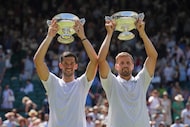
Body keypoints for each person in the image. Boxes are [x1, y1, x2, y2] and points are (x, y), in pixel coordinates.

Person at [33, 19, 98, 127]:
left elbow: (94, 61)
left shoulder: (82, 83)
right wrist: (49, 36)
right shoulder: (52, 83)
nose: (69, 65)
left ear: (76, 66)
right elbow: (38, 61)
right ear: (60, 65)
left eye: (72, 63)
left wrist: (82, 36)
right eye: (66, 63)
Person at [97, 17, 158, 127]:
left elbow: (153, 56)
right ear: (116, 66)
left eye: (128, 62)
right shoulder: (112, 83)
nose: (125, 65)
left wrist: (142, 33)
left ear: (133, 66)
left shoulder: (141, 81)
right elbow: (100, 59)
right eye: (122, 63)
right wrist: (109, 34)